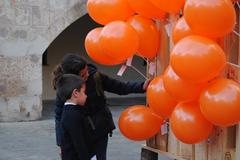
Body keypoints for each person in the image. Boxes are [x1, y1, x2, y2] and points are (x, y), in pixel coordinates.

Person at [52, 53, 151, 160]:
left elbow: (119, 87)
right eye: (83, 75)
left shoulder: (95, 76)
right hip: (80, 132)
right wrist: (62, 144)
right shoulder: (64, 89)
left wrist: (141, 86)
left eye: (87, 71)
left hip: (100, 128)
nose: (87, 75)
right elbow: (59, 117)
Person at [55, 74, 89, 160]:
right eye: (84, 92)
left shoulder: (69, 110)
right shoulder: (73, 115)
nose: (86, 96)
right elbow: (79, 142)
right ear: (76, 93)